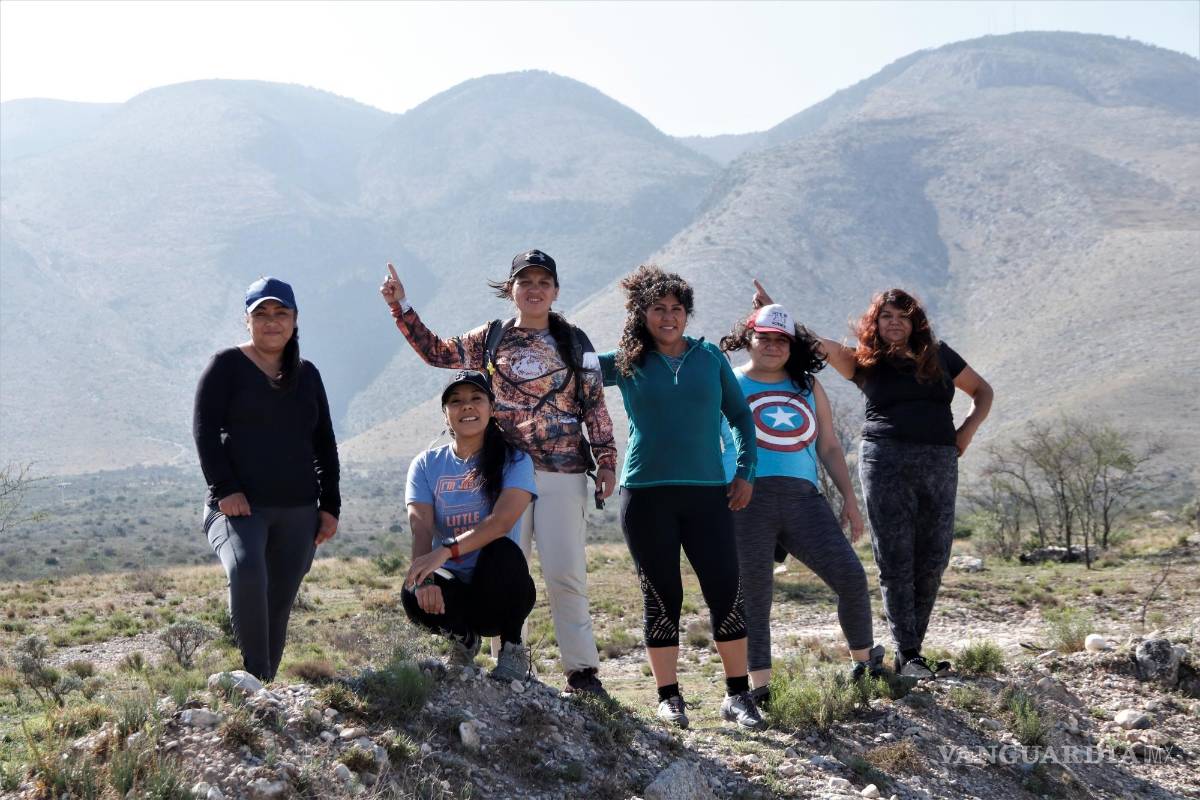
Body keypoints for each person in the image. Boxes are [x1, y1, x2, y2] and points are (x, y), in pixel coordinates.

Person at [380, 250, 615, 697]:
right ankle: (507, 659)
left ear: (556, 291)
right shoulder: (491, 338)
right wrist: (401, 307)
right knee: (502, 565)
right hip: (505, 471)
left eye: (544, 282)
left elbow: (594, 403)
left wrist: (605, 459)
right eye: (525, 281)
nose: (534, 289)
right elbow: (438, 353)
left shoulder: (575, 341)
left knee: (566, 572)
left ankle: (582, 671)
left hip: (563, 469)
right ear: (511, 290)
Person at [752, 281, 993, 679]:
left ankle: (910, 652)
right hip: (885, 459)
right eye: (886, 316)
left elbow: (983, 392)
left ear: (916, 322)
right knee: (895, 555)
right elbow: (817, 344)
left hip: (938, 460)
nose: (895, 323)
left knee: (934, 557)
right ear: (874, 323)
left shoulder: (940, 356)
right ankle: (909, 652)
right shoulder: (863, 361)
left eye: (903, 316)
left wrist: (964, 433)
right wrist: (777, 314)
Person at [598, 264, 763, 730]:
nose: (668, 317)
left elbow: (741, 418)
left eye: (677, 309)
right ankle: (669, 697)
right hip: (646, 495)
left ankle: (738, 696)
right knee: (661, 595)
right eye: (658, 309)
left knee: (724, 590)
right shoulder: (626, 361)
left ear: (687, 315)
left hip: (709, 494)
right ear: (642, 314)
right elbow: (568, 372)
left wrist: (746, 472)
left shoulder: (709, 358)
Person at [718, 303, 882, 710]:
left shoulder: (807, 386)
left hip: (803, 500)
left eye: (781, 340)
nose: (772, 346)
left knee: (850, 576)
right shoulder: (727, 384)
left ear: (790, 346)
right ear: (748, 340)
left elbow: (828, 445)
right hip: (745, 500)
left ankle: (865, 664)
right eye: (764, 338)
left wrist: (849, 500)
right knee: (753, 597)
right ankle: (760, 689)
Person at [193, 277, 340, 681]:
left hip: (298, 509)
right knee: (246, 573)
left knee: (277, 603)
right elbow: (204, 433)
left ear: (294, 320)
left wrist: (330, 507)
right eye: (261, 314)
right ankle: (254, 678)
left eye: (281, 313)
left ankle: (264, 686)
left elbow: (324, 443)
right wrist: (226, 489)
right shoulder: (226, 366)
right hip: (239, 508)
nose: (271, 322)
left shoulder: (307, 375)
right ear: (247, 320)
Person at [401, 370, 538, 681]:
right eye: (456, 401)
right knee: (411, 588)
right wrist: (424, 579)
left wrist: (446, 551)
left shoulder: (515, 460)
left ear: (491, 407)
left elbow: (502, 522)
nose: (466, 407)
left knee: (503, 550)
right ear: (445, 413)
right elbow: (420, 528)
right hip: (454, 593)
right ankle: (462, 640)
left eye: (476, 399)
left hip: (498, 592)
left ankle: (512, 648)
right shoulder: (425, 464)